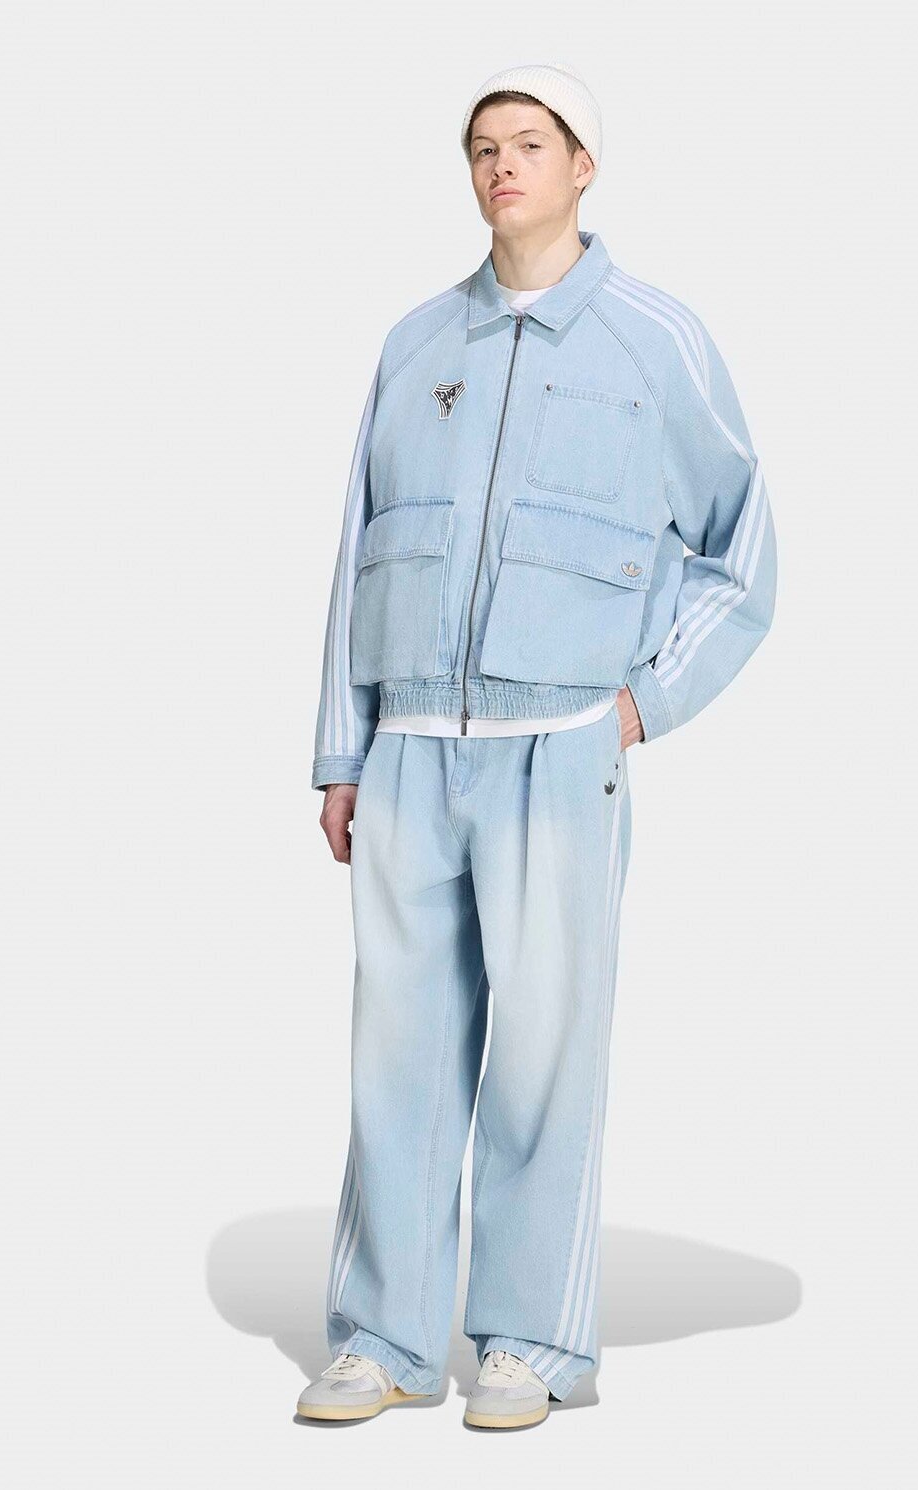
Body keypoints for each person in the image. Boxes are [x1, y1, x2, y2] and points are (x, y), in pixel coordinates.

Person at [296, 61, 778, 1430]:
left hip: (559, 747)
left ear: (581, 166)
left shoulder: (655, 339)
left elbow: (743, 548)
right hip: (410, 747)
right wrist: (342, 750)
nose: (502, 165)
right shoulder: (415, 344)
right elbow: (359, 549)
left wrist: (646, 700)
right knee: (396, 1053)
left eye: (529, 143)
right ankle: (383, 1337)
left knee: (545, 1056)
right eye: (483, 147)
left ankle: (531, 1340)